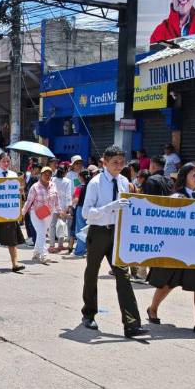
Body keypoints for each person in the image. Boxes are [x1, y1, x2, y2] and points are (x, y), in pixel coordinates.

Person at [81, 145, 146, 339]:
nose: (119, 166)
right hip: (99, 232)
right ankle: (89, 313)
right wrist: (109, 207)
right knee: (92, 273)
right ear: (105, 162)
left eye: (121, 162)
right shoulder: (95, 182)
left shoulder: (125, 182)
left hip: (117, 233)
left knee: (123, 276)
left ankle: (132, 323)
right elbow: (86, 213)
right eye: (114, 162)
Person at [146, 164, 195, 337]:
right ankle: (152, 308)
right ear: (184, 176)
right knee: (168, 282)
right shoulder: (177, 197)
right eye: (194, 175)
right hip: (177, 250)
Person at [0, 153, 26, 273]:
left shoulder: (13, 175)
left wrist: (21, 190)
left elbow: (19, 195)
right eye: (4, 161)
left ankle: (15, 263)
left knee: (12, 237)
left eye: (8, 161)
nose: (6, 164)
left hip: (9, 211)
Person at [23, 166, 59, 264]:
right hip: (36, 212)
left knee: (41, 233)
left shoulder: (53, 185)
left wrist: (59, 211)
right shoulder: (34, 187)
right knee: (42, 232)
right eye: (45, 174)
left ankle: (36, 253)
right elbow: (28, 201)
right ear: (41, 175)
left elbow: (56, 199)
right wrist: (22, 213)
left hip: (48, 212)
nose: (47, 176)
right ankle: (44, 255)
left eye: (49, 174)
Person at [48, 165, 73, 253]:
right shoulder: (67, 181)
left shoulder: (52, 179)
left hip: (53, 205)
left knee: (52, 226)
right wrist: (68, 207)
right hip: (63, 206)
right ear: (65, 172)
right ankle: (60, 245)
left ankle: (51, 245)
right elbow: (68, 195)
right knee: (62, 225)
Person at [72, 169, 91, 257]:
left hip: (80, 209)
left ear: (81, 177)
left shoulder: (80, 187)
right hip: (90, 209)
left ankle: (79, 251)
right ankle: (86, 249)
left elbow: (75, 200)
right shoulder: (91, 186)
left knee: (80, 230)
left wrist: (71, 205)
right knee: (88, 230)